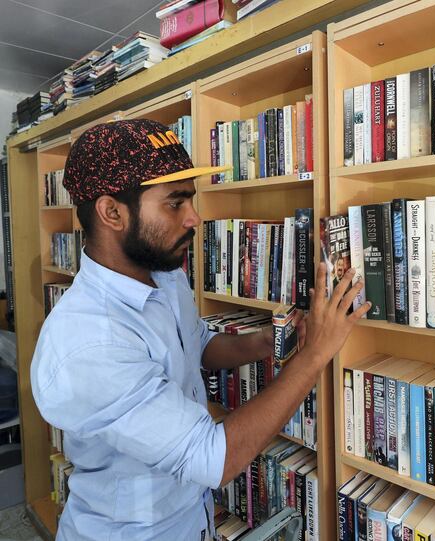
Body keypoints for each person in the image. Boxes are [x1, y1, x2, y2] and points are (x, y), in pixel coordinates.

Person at [30, 119, 371, 540]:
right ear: (112, 212)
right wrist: (315, 355)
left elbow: (197, 345)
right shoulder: (88, 342)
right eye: (175, 203)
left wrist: (267, 341)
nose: (195, 218)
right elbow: (213, 458)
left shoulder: (164, 274)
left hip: (194, 521)